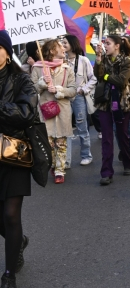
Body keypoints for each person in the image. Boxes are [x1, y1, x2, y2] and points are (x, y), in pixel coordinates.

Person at [0, 30, 38, 288]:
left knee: (11, 215)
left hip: (13, 154)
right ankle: (18, 241)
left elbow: (27, 114)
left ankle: (9, 275)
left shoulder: (21, 78)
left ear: (6, 51)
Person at [31, 39, 76, 184]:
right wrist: (42, 84)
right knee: (48, 143)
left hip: (62, 110)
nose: (64, 48)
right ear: (51, 51)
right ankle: (53, 164)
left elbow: (73, 90)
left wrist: (60, 90)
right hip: (45, 111)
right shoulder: (38, 68)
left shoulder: (67, 68)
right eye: (60, 46)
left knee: (61, 142)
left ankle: (59, 171)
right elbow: (31, 90)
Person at [94, 35, 130, 185]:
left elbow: (121, 81)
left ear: (117, 46)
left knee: (123, 135)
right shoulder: (104, 59)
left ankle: (128, 162)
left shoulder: (127, 61)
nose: (105, 46)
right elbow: (97, 76)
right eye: (104, 43)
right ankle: (106, 172)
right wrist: (98, 59)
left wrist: (105, 75)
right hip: (104, 103)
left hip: (122, 104)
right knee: (107, 138)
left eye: (108, 43)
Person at [62, 35, 97, 167]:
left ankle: (86, 155)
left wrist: (84, 89)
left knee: (82, 127)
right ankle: (66, 159)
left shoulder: (83, 60)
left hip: (78, 97)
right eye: (62, 43)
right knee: (65, 128)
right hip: (65, 97)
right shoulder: (61, 60)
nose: (63, 45)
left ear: (72, 44)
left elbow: (93, 78)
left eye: (65, 43)